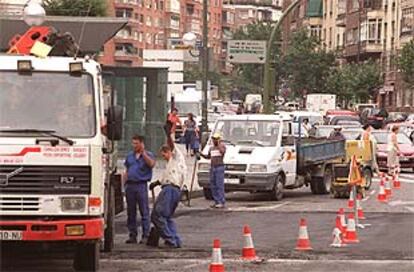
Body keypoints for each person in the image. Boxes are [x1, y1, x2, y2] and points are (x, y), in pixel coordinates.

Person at [149, 133, 187, 248]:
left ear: (170, 152)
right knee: (167, 216)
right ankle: (175, 239)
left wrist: (168, 134)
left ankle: (170, 239)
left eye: (164, 154)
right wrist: (156, 183)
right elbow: (166, 177)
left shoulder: (177, 157)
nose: (164, 157)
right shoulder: (172, 165)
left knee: (157, 215)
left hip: (170, 190)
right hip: (173, 190)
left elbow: (171, 145)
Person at [123, 135, 156, 244]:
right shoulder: (130, 156)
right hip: (130, 186)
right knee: (131, 212)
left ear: (142, 143)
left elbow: (151, 164)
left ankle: (145, 235)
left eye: (136, 143)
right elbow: (127, 170)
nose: (134, 145)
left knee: (144, 211)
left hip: (141, 185)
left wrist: (143, 154)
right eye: (133, 143)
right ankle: (132, 235)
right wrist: (124, 184)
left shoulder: (148, 155)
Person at [200, 133, 226, 208]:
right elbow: (208, 157)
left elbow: (222, 152)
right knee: (213, 185)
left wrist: (218, 145)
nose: (214, 140)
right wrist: (201, 154)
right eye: (214, 139)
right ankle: (216, 201)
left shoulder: (222, 146)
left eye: (216, 139)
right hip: (213, 167)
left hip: (219, 167)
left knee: (219, 185)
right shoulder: (211, 148)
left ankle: (221, 201)